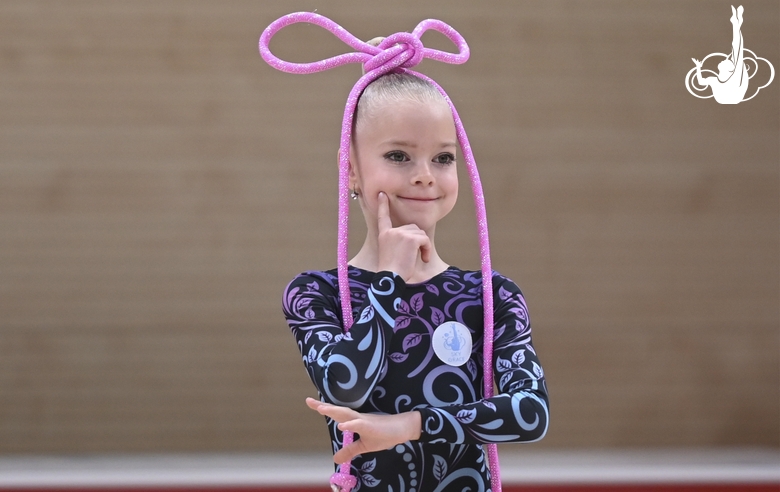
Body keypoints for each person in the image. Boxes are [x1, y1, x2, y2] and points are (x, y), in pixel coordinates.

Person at [282, 69, 549, 492]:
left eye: (443, 158)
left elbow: (531, 413)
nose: (425, 174)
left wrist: (410, 425)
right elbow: (345, 385)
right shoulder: (317, 292)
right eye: (399, 156)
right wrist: (390, 278)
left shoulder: (490, 295)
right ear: (350, 170)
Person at [692, 5, 748, 104]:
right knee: (737, 52)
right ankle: (736, 23)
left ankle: (736, 24)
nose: (724, 59)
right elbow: (701, 82)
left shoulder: (732, 77)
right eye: (728, 60)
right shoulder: (715, 80)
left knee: (737, 51)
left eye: (727, 61)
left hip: (732, 97)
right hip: (729, 97)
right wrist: (698, 67)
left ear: (729, 69)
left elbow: (737, 49)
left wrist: (698, 68)